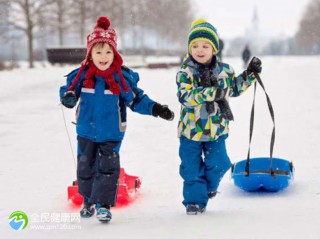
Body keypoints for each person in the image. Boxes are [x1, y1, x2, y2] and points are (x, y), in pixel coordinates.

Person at [59, 16, 174, 223]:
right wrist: (67, 98)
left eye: (108, 52)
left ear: (115, 53)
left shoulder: (121, 78)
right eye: (98, 51)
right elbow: (69, 92)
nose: (103, 56)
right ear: (90, 54)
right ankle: (87, 200)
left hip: (111, 132)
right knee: (85, 166)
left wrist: (156, 109)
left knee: (108, 168)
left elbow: (137, 99)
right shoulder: (81, 76)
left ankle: (103, 205)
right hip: (86, 130)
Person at [176, 18, 262, 215]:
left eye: (205, 45)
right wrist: (209, 93)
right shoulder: (185, 71)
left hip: (217, 128)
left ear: (214, 48)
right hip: (191, 130)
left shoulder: (225, 71)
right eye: (195, 45)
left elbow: (234, 89)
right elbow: (185, 96)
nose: (200, 49)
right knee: (191, 169)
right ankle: (195, 202)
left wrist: (250, 74)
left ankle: (206, 189)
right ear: (190, 48)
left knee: (219, 163)